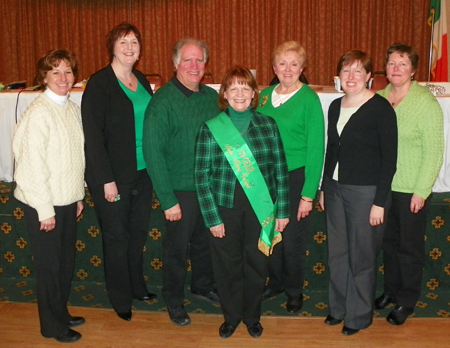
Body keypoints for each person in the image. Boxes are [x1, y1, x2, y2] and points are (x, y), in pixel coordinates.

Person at [195, 66, 290, 339]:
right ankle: (231, 316)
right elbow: (201, 176)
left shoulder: (268, 125)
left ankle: (252, 316)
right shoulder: (211, 128)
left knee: (257, 263)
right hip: (225, 205)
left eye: (245, 88)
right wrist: (212, 217)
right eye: (233, 88)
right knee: (227, 265)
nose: (239, 94)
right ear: (225, 93)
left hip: (260, 208)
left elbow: (280, 171)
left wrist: (282, 211)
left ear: (253, 94)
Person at [319, 50, 398, 335]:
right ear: (339, 75)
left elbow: (390, 159)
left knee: (361, 256)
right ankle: (338, 308)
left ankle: (359, 315)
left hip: (366, 193)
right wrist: (324, 187)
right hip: (335, 189)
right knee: (337, 254)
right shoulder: (335, 106)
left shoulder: (380, 108)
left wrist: (379, 202)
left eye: (357, 71)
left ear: (368, 76)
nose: (351, 77)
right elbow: (333, 150)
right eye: (346, 70)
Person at [143, 38, 220, 326]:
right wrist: (168, 199)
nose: (194, 65)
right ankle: (173, 299)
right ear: (175, 63)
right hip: (178, 191)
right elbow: (153, 152)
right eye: (187, 60)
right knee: (176, 250)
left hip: (207, 188)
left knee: (205, 243)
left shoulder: (211, 99)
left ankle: (202, 285)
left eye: (199, 60)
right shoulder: (161, 102)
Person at [81, 22, 156, 322]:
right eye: (123, 42)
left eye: (134, 42)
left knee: (137, 235)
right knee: (117, 238)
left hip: (142, 173)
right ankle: (120, 297)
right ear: (111, 46)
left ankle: (137, 286)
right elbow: (93, 138)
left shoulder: (140, 79)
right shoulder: (99, 84)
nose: (129, 47)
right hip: (111, 177)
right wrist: (105, 180)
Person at [13, 49, 85, 343]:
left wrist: (78, 193)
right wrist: (44, 209)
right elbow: (30, 165)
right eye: (55, 72)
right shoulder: (39, 112)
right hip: (44, 203)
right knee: (49, 267)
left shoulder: (71, 108)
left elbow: (76, 155)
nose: (63, 77)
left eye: (67, 71)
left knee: (65, 263)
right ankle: (51, 326)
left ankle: (60, 311)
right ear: (43, 77)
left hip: (67, 198)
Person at [376, 43, 444, 325]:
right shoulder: (378, 98)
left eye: (403, 64)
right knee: (388, 244)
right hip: (383, 187)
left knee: (409, 248)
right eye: (392, 63)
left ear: (413, 70)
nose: (396, 69)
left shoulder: (425, 102)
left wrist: (421, 190)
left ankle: (407, 300)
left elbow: (434, 150)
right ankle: (390, 290)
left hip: (411, 189)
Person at [257, 41, 325, 313]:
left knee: (293, 240)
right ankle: (275, 283)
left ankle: (294, 291)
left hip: (296, 179)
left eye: (294, 64)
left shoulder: (309, 99)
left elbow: (316, 149)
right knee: (270, 232)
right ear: (274, 67)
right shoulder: (263, 96)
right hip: (266, 179)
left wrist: (309, 194)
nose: (288, 69)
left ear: (302, 68)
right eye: (282, 63)